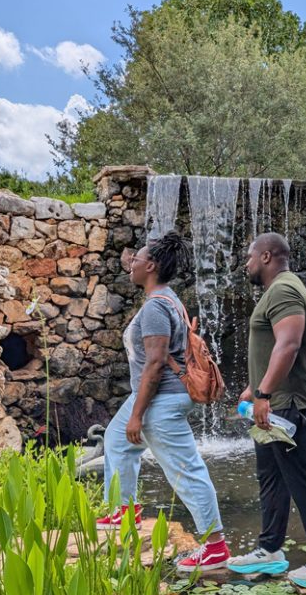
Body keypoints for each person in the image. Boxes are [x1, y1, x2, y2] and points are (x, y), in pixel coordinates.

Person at [97, 233, 229, 572]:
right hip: (161, 394)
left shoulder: (157, 306)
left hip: (163, 398)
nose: (131, 263)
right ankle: (123, 509)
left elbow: (155, 363)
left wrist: (137, 415)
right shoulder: (169, 299)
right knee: (115, 440)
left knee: (185, 469)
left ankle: (215, 547)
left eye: (137, 259)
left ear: (151, 266)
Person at [227, 233, 306, 589]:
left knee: (304, 481)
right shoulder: (279, 290)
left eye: (249, 257)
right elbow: (273, 348)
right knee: (272, 477)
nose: (245, 264)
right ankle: (270, 549)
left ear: (266, 256)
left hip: (292, 405)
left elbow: (289, 344)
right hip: (276, 404)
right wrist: (255, 387)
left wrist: (264, 392)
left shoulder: (283, 290)